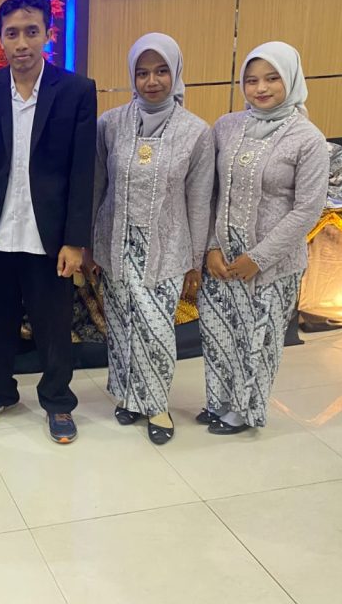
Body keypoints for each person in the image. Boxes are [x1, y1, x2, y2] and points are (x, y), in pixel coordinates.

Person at [0, 0, 97, 444]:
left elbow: (82, 171)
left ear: (48, 35)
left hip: (49, 235)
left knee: (53, 325)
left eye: (31, 32)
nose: (22, 43)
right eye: (13, 33)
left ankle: (58, 401)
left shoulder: (76, 91)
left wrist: (75, 240)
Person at [90, 33, 214, 445]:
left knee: (157, 330)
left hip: (167, 247)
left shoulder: (196, 132)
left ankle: (157, 404)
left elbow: (199, 200)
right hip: (115, 244)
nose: (152, 81)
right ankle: (128, 396)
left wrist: (195, 260)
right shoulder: (110, 124)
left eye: (161, 71)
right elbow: (97, 186)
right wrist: (89, 243)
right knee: (122, 325)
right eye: (142, 73)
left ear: (175, 73)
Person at [198, 42, 328, 434]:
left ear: (291, 79)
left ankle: (244, 412)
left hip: (273, 263)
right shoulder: (226, 126)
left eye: (272, 79)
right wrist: (212, 246)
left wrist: (259, 257)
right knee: (219, 333)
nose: (261, 88)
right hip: (223, 259)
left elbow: (307, 209)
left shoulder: (307, 139)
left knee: (259, 338)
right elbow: (211, 192)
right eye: (252, 80)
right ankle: (219, 403)